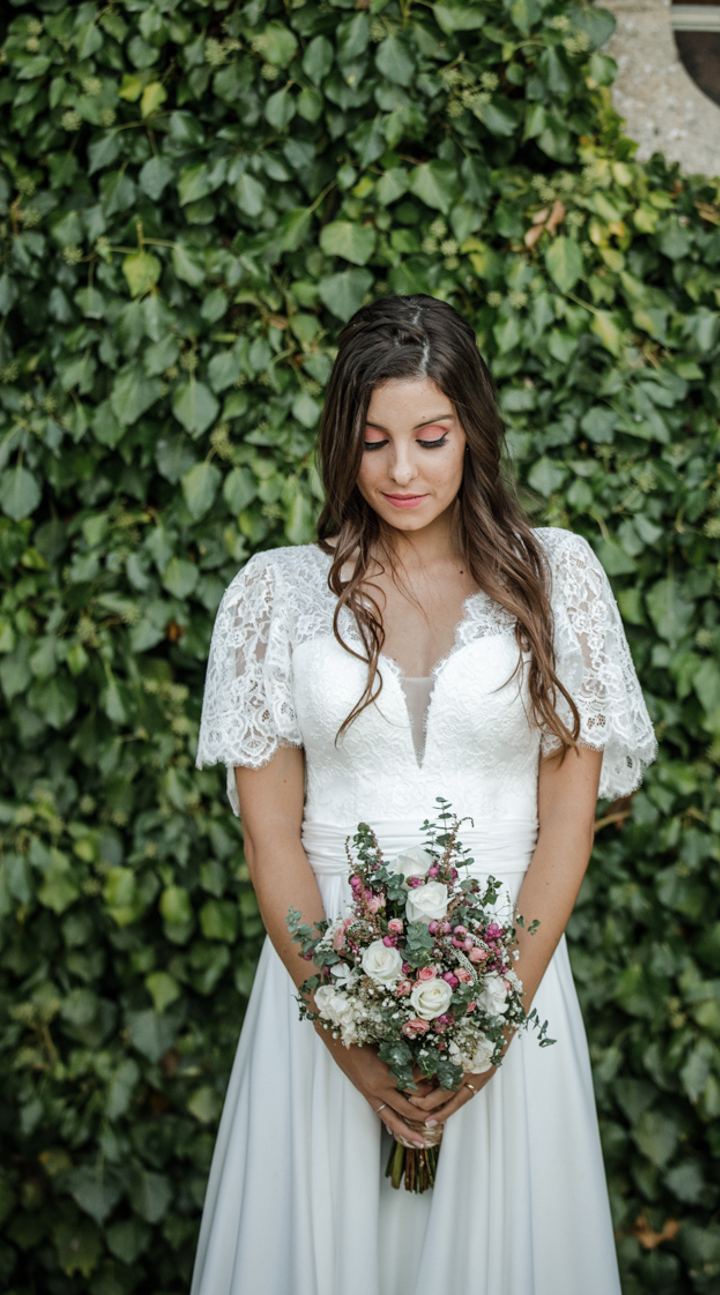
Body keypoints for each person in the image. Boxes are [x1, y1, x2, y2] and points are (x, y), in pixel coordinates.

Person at [192, 294, 655, 1295]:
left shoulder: (555, 576)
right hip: (322, 994)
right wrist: (348, 1041)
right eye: (373, 441)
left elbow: (567, 824)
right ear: (342, 446)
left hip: (507, 987)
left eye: (430, 437)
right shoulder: (275, 595)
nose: (402, 470)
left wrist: (487, 1032)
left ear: (472, 433)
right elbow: (271, 838)